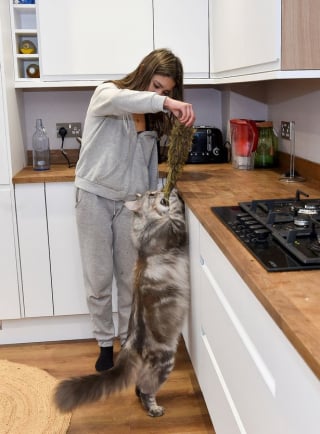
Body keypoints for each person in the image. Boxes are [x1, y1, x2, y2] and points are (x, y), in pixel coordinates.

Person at [75, 48, 196, 372]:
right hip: (94, 199)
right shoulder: (107, 94)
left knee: (130, 281)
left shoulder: (151, 121)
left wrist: (151, 206)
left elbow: (147, 170)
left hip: (130, 205)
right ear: (144, 74)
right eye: (156, 86)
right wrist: (167, 103)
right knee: (98, 279)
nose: (159, 95)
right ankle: (104, 344)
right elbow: (127, 100)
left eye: (166, 91)